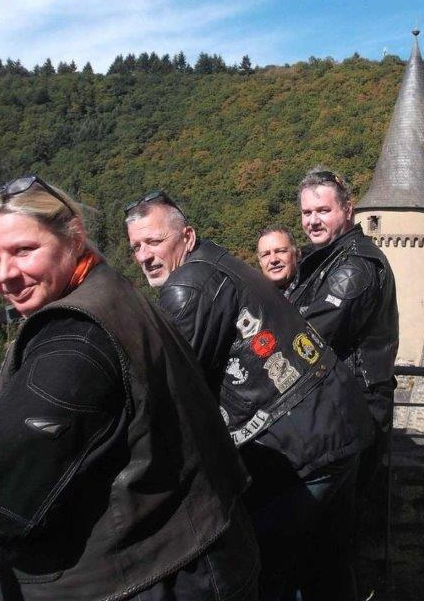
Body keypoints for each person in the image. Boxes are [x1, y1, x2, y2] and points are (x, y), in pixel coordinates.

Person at [0, 175, 258, 601]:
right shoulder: (112, 290)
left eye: (24, 250)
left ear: (73, 237)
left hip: (158, 577)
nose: (6, 274)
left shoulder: (75, 340)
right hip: (204, 551)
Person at [125, 190, 373, 601]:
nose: (144, 256)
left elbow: (174, 397)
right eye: (136, 247)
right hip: (332, 425)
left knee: (261, 569)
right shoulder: (219, 261)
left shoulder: (187, 288)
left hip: (304, 446)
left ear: (187, 236)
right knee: (323, 566)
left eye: (154, 241)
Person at [287, 169, 399, 491]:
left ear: (348, 209)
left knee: (338, 510)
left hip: (353, 410)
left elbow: (306, 339)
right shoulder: (329, 258)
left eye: (323, 210)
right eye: (307, 212)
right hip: (342, 407)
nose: (312, 221)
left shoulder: (353, 268)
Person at [255, 224, 300, 291]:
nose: (273, 260)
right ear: (260, 262)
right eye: (266, 254)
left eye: (280, 251)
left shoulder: (314, 289)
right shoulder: (253, 295)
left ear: (297, 254)